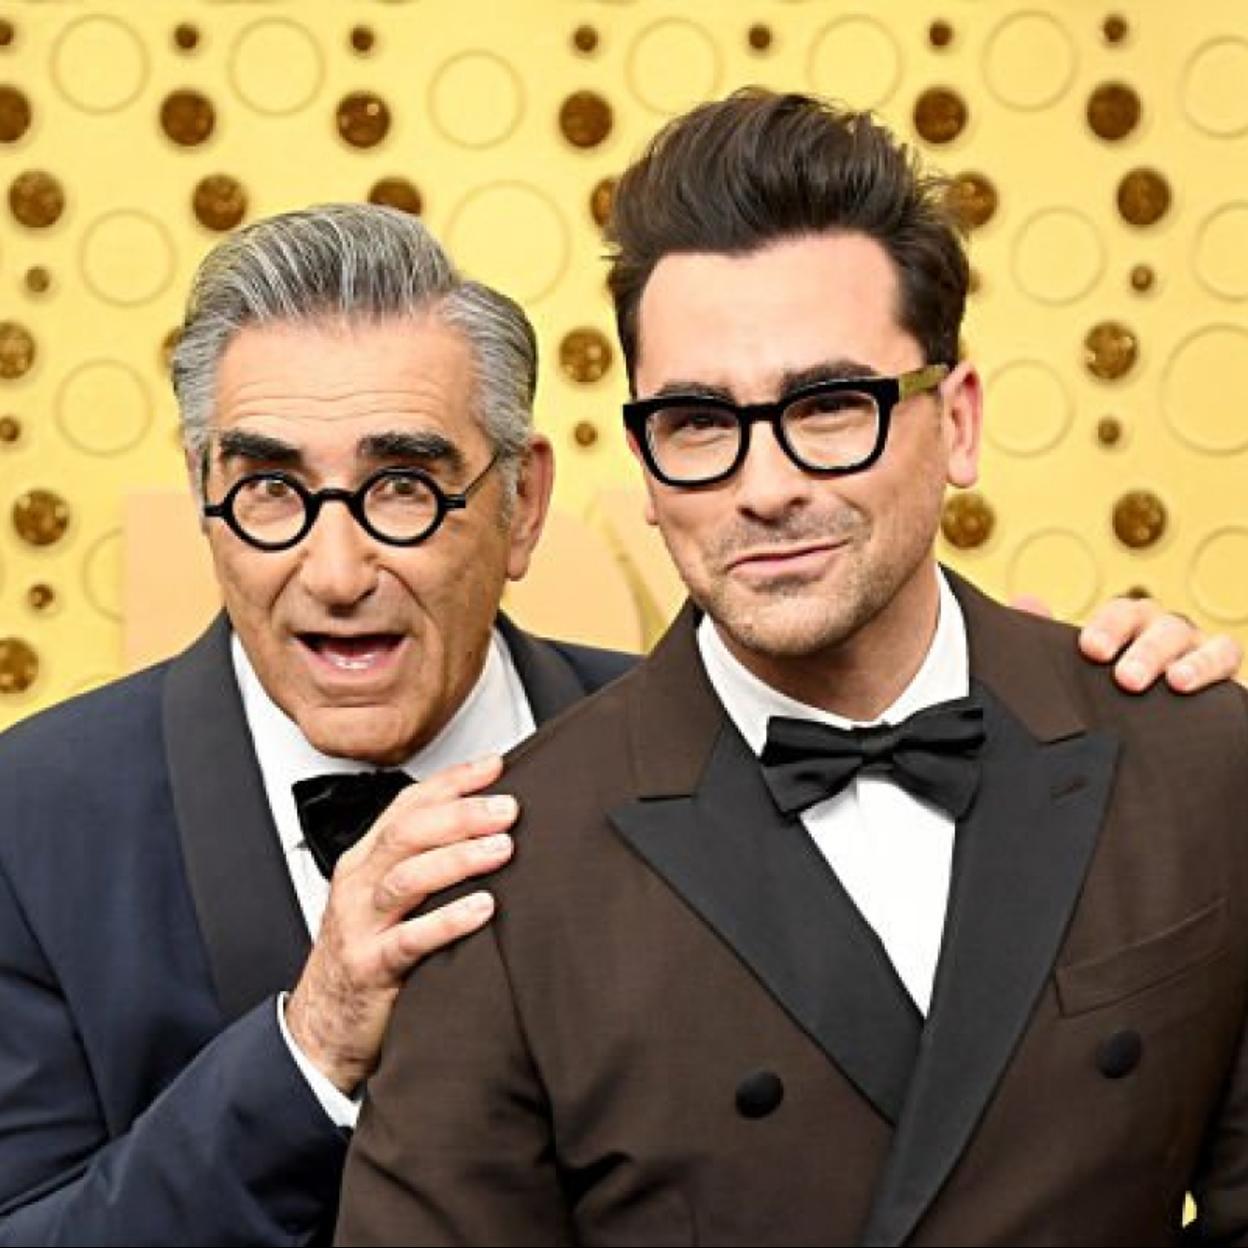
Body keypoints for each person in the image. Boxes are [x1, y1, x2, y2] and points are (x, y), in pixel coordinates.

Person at [337, 92, 1248, 1247]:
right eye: (701, 422)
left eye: (828, 407)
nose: (764, 487)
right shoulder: (501, 871)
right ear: (645, 460)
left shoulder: (1192, 753)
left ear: (956, 421)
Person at [0, 204, 635, 1246]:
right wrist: (314, 1047)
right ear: (205, 496)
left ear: (522, 504)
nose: (336, 575)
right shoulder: (28, 821)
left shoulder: (691, 757)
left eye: (402, 488)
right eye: (269, 489)